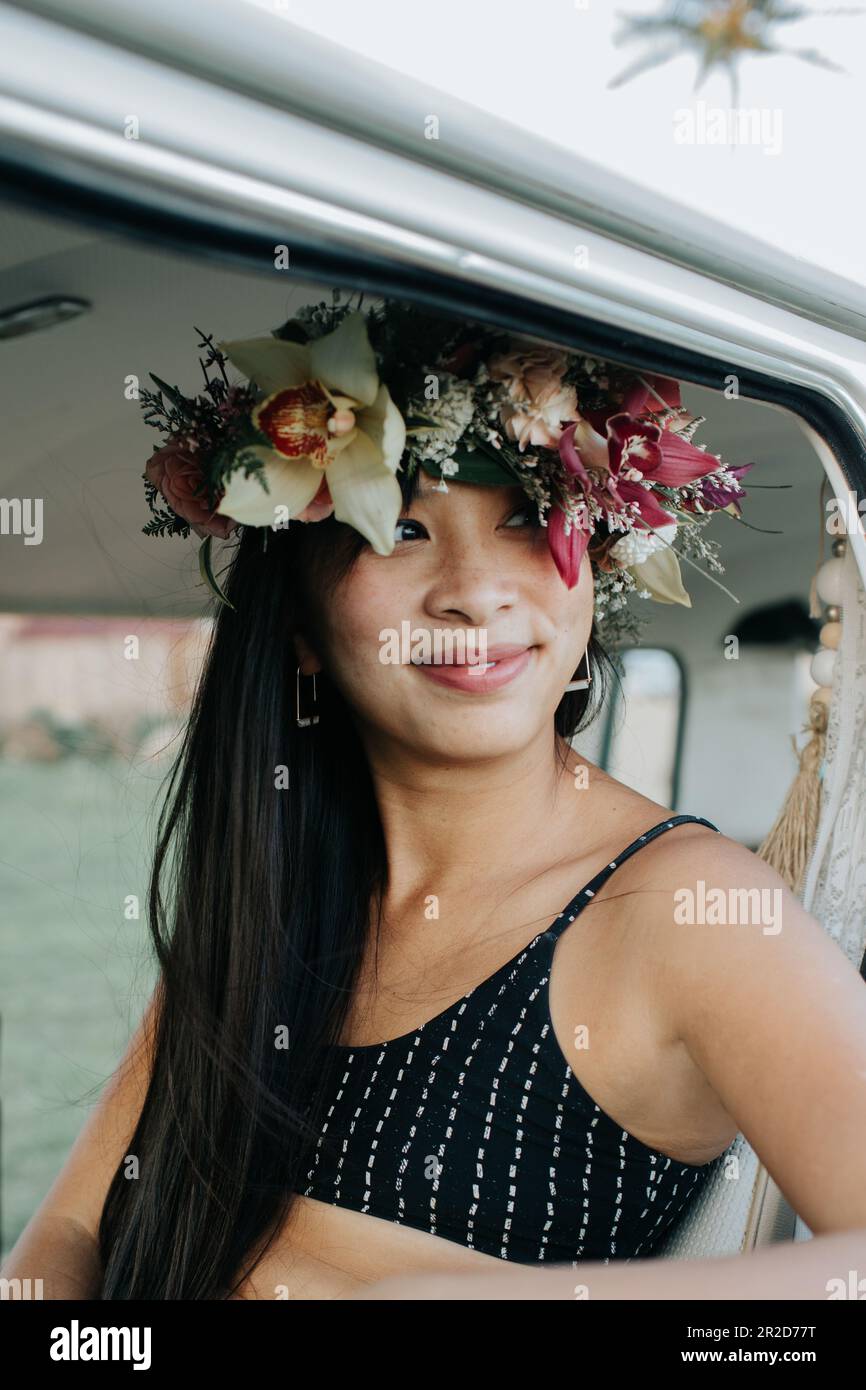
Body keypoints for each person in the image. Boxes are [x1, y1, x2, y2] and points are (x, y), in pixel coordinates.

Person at [3, 296, 865, 1301]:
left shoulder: (689, 911)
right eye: (402, 526)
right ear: (301, 623)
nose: (473, 590)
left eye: (526, 518)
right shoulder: (268, 891)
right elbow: (66, 1229)